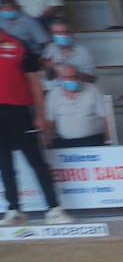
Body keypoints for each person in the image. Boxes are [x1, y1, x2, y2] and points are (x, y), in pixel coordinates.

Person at [0, 19, 67, 226]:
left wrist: (41, 114)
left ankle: (54, 208)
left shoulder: (18, 45)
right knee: (5, 165)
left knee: (36, 161)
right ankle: (14, 210)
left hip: (20, 112)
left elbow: (35, 83)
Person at [44, 63, 106, 148]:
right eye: (68, 77)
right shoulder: (53, 94)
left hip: (92, 140)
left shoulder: (92, 89)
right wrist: (48, 139)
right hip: (64, 142)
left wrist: (108, 139)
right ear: (60, 78)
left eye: (75, 76)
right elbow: (50, 121)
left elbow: (105, 117)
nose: (72, 80)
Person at [39, 19, 95, 92]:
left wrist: (69, 72)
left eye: (63, 32)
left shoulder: (83, 51)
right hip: (55, 93)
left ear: (70, 33)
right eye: (57, 33)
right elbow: (49, 77)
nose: (61, 35)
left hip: (79, 93)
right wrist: (48, 66)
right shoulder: (50, 48)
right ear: (52, 34)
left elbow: (92, 79)